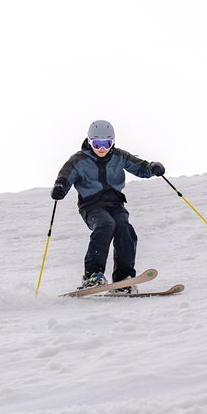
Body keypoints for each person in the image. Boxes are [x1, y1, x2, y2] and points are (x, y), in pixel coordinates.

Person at [51, 119, 165, 291]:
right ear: (89, 142)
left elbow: (141, 168)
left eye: (107, 143)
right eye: (97, 144)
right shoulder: (78, 160)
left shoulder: (119, 156)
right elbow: (64, 178)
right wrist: (60, 187)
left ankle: (123, 278)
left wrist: (153, 167)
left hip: (115, 203)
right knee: (106, 224)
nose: (102, 148)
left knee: (124, 228)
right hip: (91, 205)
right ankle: (92, 275)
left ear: (113, 142)